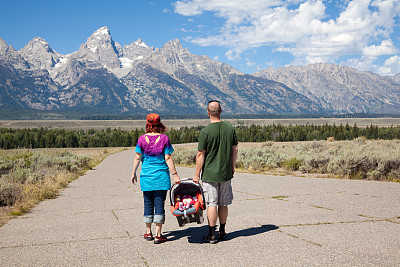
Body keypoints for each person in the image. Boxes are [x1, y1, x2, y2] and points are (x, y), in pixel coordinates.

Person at [131, 113, 180, 244]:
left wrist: (133, 173)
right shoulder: (164, 139)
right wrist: (175, 175)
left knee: (147, 204)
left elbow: (137, 157)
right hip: (161, 177)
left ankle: (148, 232)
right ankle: (158, 235)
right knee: (159, 205)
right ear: (159, 125)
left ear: (147, 124)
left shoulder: (141, 139)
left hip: (146, 177)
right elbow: (168, 158)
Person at [193, 100, 238, 244]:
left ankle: (212, 234)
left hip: (210, 174)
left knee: (211, 203)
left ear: (208, 113)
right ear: (221, 111)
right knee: (223, 203)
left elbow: (201, 154)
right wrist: (232, 165)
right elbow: (234, 148)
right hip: (225, 172)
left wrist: (196, 174)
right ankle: (223, 232)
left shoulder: (205, 132)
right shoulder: (230, 129)